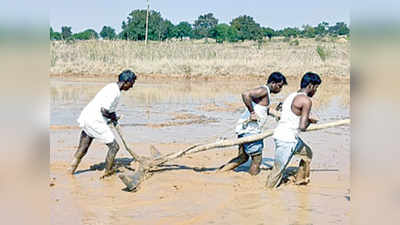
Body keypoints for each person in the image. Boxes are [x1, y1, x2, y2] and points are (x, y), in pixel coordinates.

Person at [68, 69, 137, 176]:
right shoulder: (115, 93)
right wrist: (112, 116)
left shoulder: (111, 87)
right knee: (114, 147)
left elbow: (108, 108)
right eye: (131, 84)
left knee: (83, 147)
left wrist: (113, 116)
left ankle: (70, 170)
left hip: (86, 117)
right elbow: (104, 110)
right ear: (126, 82)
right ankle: (108, 171)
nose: (131, 87)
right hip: (95, 121)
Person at [218, 72, 287, 175]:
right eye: (279, 86)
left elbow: (265, 110)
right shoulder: (264, 90)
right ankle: (252, 182)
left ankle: (219, 172)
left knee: (243, 157)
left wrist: (278, 115)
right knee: (257, 160)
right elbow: (245, 94)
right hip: (251, 131)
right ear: (273, 83)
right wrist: (252, 113)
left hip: (244, 129)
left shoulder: (265, 94)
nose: (280, 89)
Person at [266, 72, 321, 188]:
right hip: (287, 140)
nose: (315, 91)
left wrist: (306, 117)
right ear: (310, 86)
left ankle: (300, 180)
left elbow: (292, 114)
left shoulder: (292, 95)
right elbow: (302, 127)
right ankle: (266, 194)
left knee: (307, 154)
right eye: (316, 88)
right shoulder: (306, 101)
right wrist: (310, 121)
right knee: (277, 172)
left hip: (286, 136)